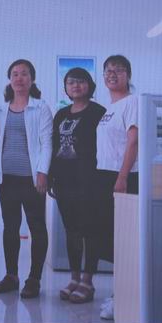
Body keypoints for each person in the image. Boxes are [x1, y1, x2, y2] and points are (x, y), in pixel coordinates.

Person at [0, 59, 52, 299]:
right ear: (10, 79)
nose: (19, 78)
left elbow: (47, 143)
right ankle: (11, 275)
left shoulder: (41, 107)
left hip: (32, 179)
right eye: (15, 74)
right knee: (10, 226)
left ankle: (34, 279)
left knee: (37, 226)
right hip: (6, 178)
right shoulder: (0, 109)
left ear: (32, 79)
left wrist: (42, 172)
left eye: (24, 74)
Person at [48, 67, 106, 305]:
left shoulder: (99, 113)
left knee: (90, 231)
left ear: (89, 85)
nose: (76, 86)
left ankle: (87, 281)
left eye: (81, 81)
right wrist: (50, 176)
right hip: (64, 180)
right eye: (71, 82)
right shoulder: (61, 114)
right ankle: (74, 278)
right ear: (66, 88)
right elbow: (53, 146)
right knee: (71, 230)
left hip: (89, 181)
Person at [95, 54, 139, 320]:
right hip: (106, 175)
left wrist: (122, 177)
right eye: (108, 70)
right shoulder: (109, 108)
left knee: (123, 242)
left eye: (119, 70)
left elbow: (133, 141)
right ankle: (118, 294)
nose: (112, 74)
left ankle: (122, 298)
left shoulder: (132, 102)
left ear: (128, 75)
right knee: (111, 241)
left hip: (123, 177)